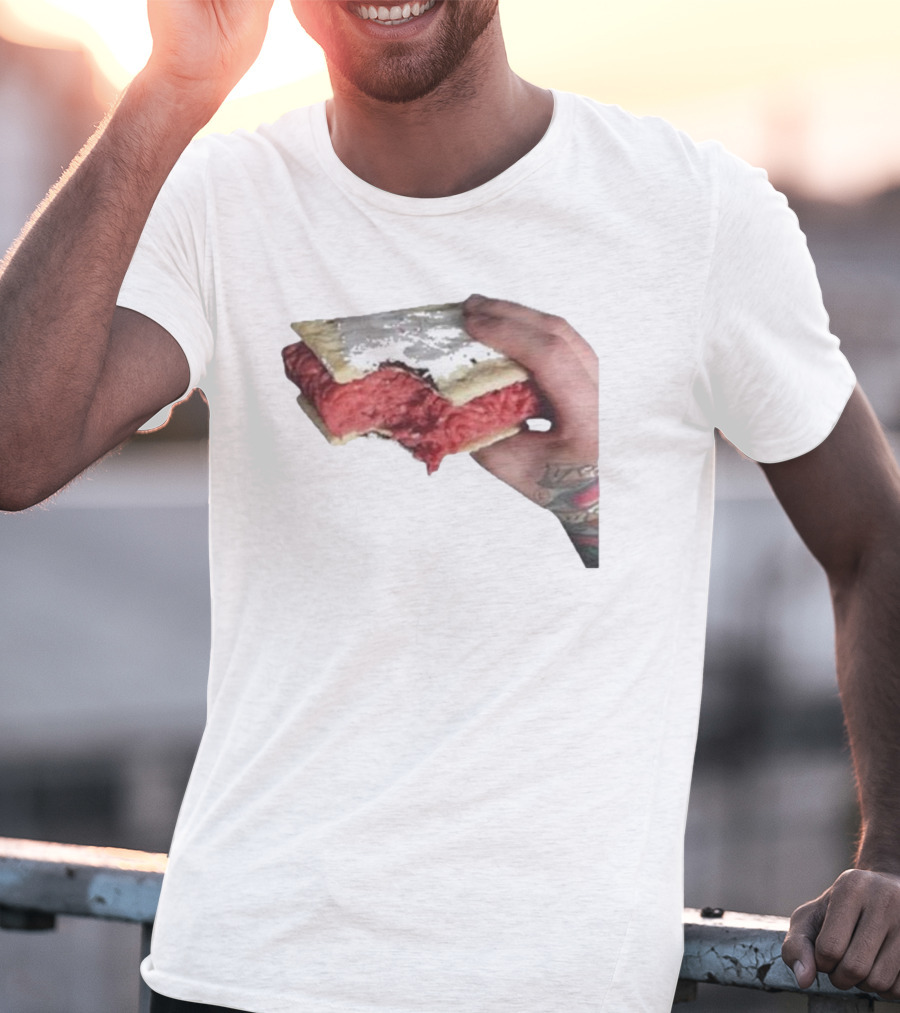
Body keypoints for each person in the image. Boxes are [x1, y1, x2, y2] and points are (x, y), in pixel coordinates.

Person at [1, 1, 899, 1009]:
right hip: (242, 968)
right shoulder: (221, 197)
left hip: (554, 985)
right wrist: (170, 91)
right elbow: (14, 448)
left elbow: (875, 539)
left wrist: (894, 851)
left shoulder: (694, 211)